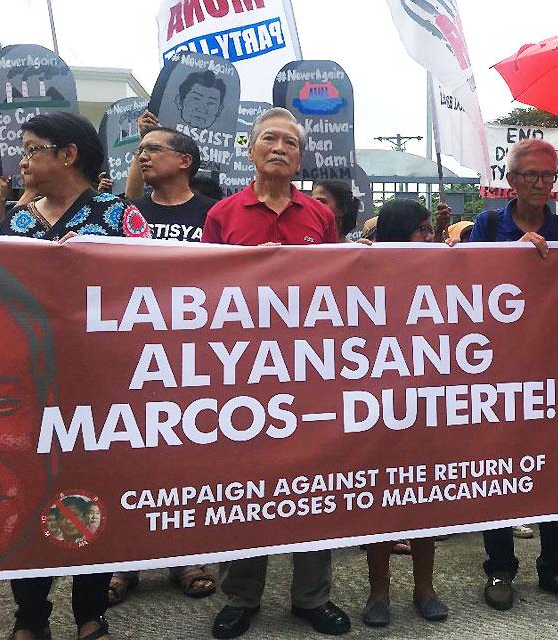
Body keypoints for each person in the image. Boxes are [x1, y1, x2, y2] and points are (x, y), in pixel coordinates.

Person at [0, 111, 149, 640]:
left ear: (67, 155)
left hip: (99, 388)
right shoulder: (17, 222)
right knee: (31, 497)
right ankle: (30, 617)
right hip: (31, 390)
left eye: (32, 148)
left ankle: (90, 614)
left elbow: (154, 291)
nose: (23, 160)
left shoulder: (117, 216)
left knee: (90, 493)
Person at [200, 107, 347, 640]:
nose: (279, 147)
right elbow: (201, 292)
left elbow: (339, 288)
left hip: (309, 371)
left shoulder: (320, 216)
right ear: (251, 149)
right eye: (269, 139)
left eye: (290, 141)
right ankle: (240, 597)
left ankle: (313, 597)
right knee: (245, 484)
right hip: (244, 372)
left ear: (301, 156)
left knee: (314, 482)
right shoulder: (223, 214)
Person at [466, 139, 558, 612]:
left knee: (554, 460)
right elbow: (466, 283)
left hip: (549, 364)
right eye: (532, 176)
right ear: (513, 180)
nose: (542, 184)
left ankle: (556, 566)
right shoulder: (488, 223)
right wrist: (511, 254)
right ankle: (500, 567)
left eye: (549, 176)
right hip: (496, 367)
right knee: (496, 465)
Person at [106, 124, 217, 605]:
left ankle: (188, 556)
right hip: (136, 355)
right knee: (131, 459)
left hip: (198, 357)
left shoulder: (213, 215)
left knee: (189, 460)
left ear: (185, 160)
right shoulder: (127, 215)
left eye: (152, 150)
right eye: (139, 152)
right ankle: (126, 561)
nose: (142, 157)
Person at [359, 198, 449, 627]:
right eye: (421, 229)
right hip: (375, 403)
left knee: (424, 500)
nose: (429, 237)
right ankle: (379, 592)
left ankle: (425, 588)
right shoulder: (362, 267)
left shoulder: (441, 266)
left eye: (431, 229)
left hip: (424, 402)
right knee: (380, 500)